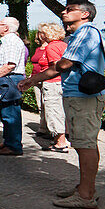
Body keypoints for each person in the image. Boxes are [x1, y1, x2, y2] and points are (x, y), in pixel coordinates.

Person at [19, 2, 105, 209]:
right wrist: (33, 80)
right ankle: (85, 188)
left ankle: (85, 196)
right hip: (81, 97)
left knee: (84, 144)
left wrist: (36, 78)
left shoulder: (86, 31)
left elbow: (65, 64)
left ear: (85, 14)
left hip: (83, 98)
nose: (63, 12)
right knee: (83, 143)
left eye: (69, 10)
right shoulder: (82, 34)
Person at [0, 16, 29, 156]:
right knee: (6, 112)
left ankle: (13, 145)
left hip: (9, 78)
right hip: (8, 78)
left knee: (10, 113)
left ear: (6, 27)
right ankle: (9, 141)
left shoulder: (11, 41)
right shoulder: (8, 41)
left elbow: (10, 65)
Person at [31, 22, 68, 151]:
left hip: (52, 83)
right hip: (63, 83)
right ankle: (62, 139)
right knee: (61, 111)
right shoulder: (64, 45)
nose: (41, 36)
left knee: (53, 111)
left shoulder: (51, 47)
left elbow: (56, 67)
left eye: (43, 33)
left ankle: (60, 142)